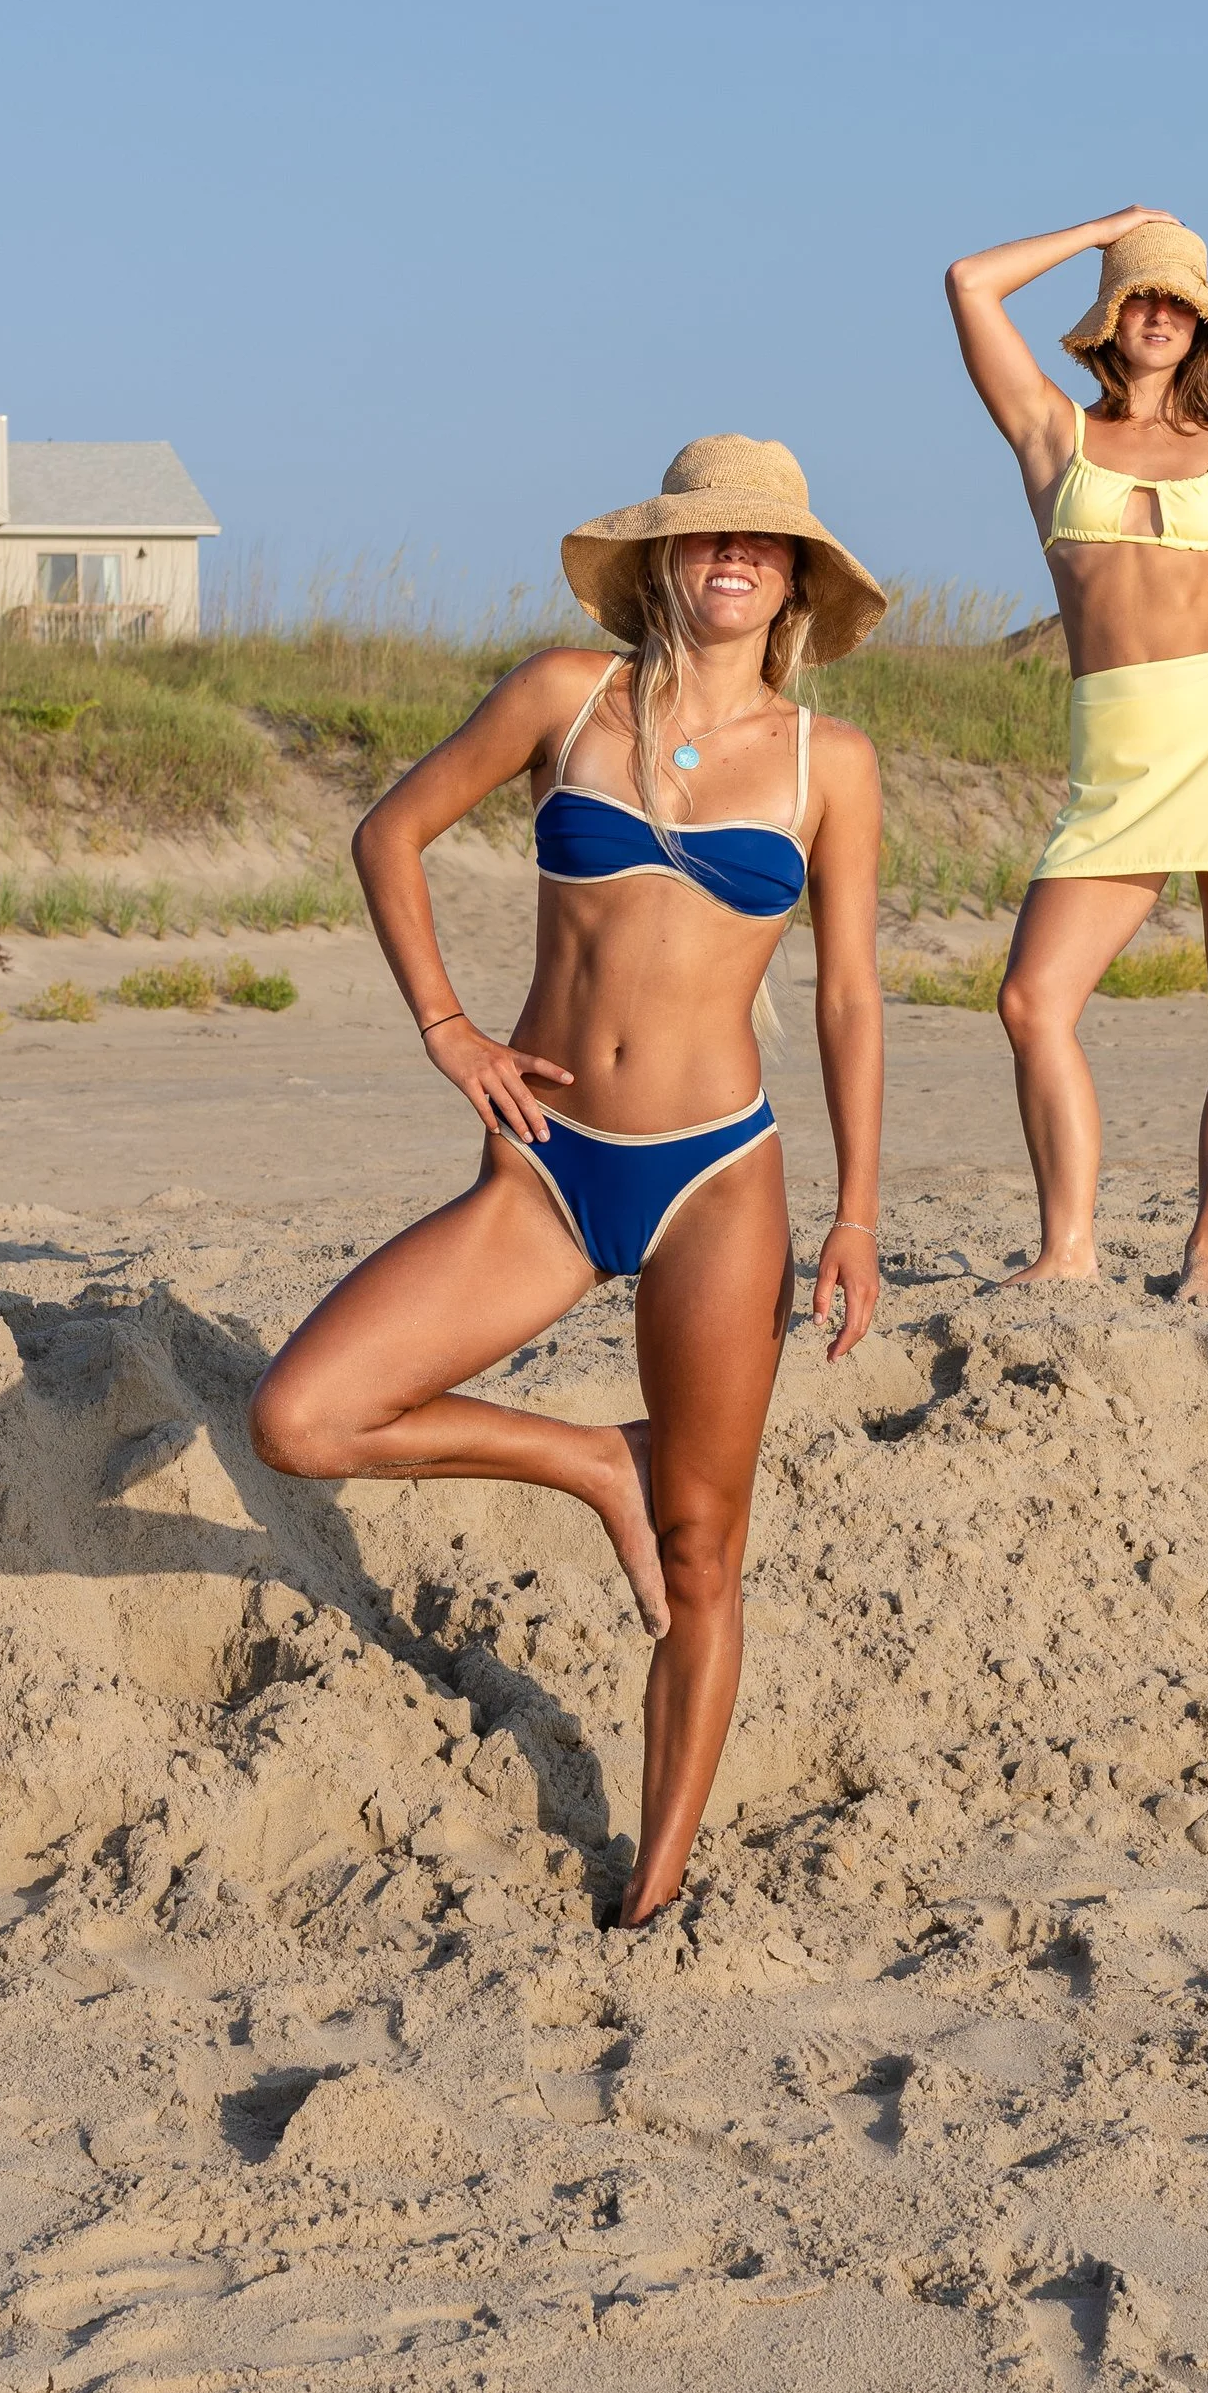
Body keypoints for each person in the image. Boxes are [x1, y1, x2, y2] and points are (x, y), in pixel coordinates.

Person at [247, 436, 886, 1932]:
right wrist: (448, 1027)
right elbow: (385, 832)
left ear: (793, 576)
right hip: (546, 1166)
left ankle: (653, 1878)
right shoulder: (563, 698)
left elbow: (851, 997)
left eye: (761, 542)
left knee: (704, 1548)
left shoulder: (825, 763)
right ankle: (594, 1457)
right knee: (300, 1415)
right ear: (663, 559)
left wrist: (857, 1210)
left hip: (717, 1174)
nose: (732, 559)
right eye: (705, 537)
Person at [945, 208, 1208, 1302]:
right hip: (1118, 752)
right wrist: (1105, 233)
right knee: (1032, 1000)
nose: (1159, 314)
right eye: (1140, 295)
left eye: (1178, 299)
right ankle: (1067, 1248)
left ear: (1201, 328)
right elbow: (969, 282)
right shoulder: (1048, 434)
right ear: (1109, 320)